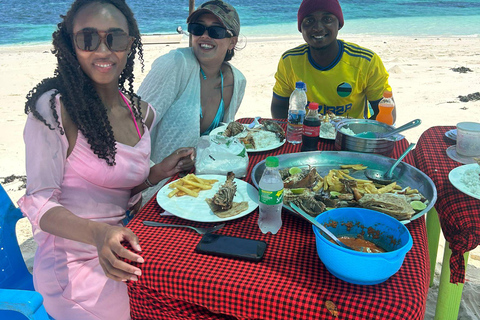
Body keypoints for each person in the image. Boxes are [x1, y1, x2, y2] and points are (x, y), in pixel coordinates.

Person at [17, 0, 193, 319]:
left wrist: (158, 172)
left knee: (189, 289)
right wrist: (99, 235)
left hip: (119, 244)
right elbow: (39, 202)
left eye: (115, 38)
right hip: (71, 265)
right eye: (88, 38)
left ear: (130, 45)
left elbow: (116, 189)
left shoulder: (142, 114)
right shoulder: (54, 110)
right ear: (70, 45)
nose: (102, 50)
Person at [138, 0, 246, 203]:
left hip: (205, 188)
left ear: (233, 41)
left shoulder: (237, 81)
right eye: (197, 29)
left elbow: (219, 141)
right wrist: (142, 184)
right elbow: (134, 126)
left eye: (216, 31)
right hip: (158, 188)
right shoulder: (175, 64)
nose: (205, 36)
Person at [271, 0, 395, 121]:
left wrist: (357, 135)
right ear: (301, 28)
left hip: (350, 136)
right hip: (307, 134)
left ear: (339, 24)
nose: (318, 28)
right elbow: (279, 106)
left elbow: (387, 113)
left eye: (327, 19)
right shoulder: (290, 61)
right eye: (309, 20)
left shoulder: (365, 61)